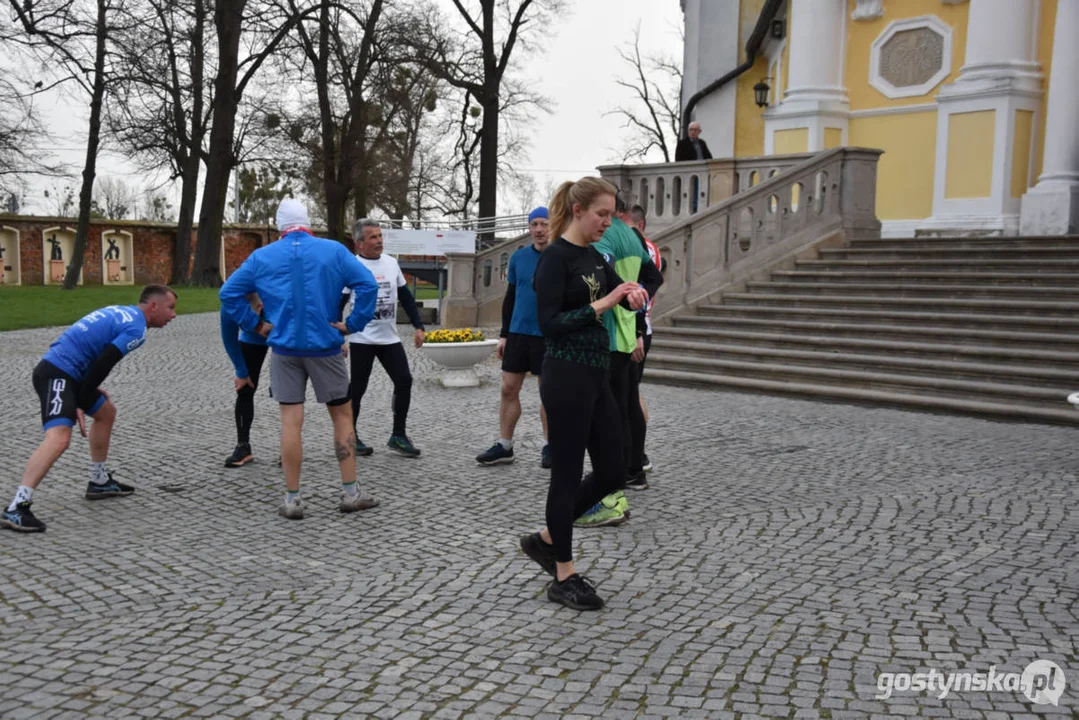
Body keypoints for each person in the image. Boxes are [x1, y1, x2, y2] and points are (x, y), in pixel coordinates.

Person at [518, 176, 648, 611]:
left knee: (615, 469)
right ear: (578, 211)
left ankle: (548, 538)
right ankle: (564, 574)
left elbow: (620, 292)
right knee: (567, 474)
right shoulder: (554, 258)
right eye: (602, 215)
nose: (607, 223)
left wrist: (632, 296)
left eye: (611, 215)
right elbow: (550, 323)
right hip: (565, 375)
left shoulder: (595, 256)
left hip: (596, 372)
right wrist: (607, 302)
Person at [219, 198, 380, 520]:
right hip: (325, 347)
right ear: (307, 223)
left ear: (280, 228)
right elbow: (368, 284)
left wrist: (256, 325)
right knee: (343, 418)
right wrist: (354, 324)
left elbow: (229, 294)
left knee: (290, 423)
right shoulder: (332, 250)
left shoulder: (262, 256)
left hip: (284, 349)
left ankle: (292, 499)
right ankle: (351, 493)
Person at [2, 285, 178, 533]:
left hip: (68, 375)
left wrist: (83, 392)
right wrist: (79, 396)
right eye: (170, 308)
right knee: (59, 439)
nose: (173, 315)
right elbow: (105, 362)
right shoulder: (136, 329)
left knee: (106, 412)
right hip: (57, 374)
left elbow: (87, 349)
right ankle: (17, 507)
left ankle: (99, 480)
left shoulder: (121, 311)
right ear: (153, 306)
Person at [573, 193, 663, 531]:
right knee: (626, 404)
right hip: (628, 334)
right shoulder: (632, 236)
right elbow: (654, 278)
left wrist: (627, 305)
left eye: (608, 213)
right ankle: (633, 469)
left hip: (607, 335)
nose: (605, 221)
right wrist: (639, 315)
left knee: (607, 415)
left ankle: (610, 488)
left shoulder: (604, 236)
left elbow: (599, 287)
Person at [340, 219, 426, 458]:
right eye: (372, 237)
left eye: (380, 236)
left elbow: (406, 298)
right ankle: (350, 436)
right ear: (359, 244)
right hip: (361, 338)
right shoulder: (352, 266)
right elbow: (340, 303)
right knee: (357, 389)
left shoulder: (391, 263)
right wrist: (339, 338)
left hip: (389, 338)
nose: (379, 241)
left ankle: (398, 435)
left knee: (404, 381)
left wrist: (419, 326)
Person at [476, 206, 551, 467]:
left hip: (548, 335)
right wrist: (504, 335)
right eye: (534, 225)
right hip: (518, 333)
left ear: (552, 225)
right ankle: (505, 445)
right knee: (508, 388)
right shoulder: (519, 258)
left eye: (543, 224)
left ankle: (550, 446)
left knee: (549, 393)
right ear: (529, 228)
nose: (539, 230)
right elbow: (510, 298)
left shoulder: (559, 257)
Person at [628, 204, 662, 473]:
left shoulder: (645, 247)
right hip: (636, 325)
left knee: (629, 394)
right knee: (630, 393)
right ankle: (635, 453)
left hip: (637, 326)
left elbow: (647, 282)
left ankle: (637, 454)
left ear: (638, 226)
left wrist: (637, 328)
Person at [220, 293, 269, 467]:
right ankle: (243, 446)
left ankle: (289, 447)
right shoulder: (231, 303)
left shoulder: (275, 296)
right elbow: (229, 337)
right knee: (245, 389)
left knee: (286, 391)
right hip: (252, 340)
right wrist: (241, 371)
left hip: (284, 335)